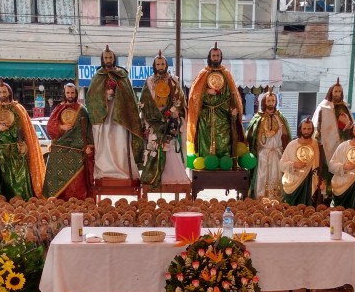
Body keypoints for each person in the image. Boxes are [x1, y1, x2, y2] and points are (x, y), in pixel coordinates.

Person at [85, 45, 144, 182]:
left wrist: (118, 94)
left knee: (120, 143)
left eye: (110, 57)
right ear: (102, 59)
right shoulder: (97, 76)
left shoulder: (122, 75)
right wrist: (104, 96)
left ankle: (123, 170)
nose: (108, 59)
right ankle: (105, 171)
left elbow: (130, 97)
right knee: (105, 144)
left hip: (120, 117)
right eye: (106, 57)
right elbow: (91, 97)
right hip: (104, 118)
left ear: (114, 58)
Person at [0, 81, 45, 203]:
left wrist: (23, 144)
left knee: (21, 177)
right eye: (0, 92)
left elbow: (24, 128)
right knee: (5, 179)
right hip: (2, 152)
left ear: (9, 92)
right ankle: (4, 201)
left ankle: (24, 200)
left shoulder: (18, 108)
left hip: (17, 150)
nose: (2, 94)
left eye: (4, 91)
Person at [186, 43, 245, 161]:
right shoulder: (203, 73)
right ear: (209, 57)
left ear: (221, 57)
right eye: (213, 55)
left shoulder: (226, 73)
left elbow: (232, 93)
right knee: (206, 142)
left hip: (223, 115)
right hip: (205, 115)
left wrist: (233, 109)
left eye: (218, 55)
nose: (216, 58)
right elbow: (194, 94)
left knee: (224, 141)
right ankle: (206, 162)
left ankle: (224, 162)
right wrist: (206, 91)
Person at [140, 51, 190, 188]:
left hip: (170, 120)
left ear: (166, 65)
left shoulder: (173, 80)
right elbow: (145, 101)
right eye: (158, 64)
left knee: (172, 149)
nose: (160, 66)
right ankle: (154, 176)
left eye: (162, 63)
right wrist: (153, 117)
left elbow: (180, 100)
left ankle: (174, 177)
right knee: (154, 148)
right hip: (154, 120)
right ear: (154, 65)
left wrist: (173, 112)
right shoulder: (149, 81)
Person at [42, 83, 95, 200]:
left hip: (77, 152)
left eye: (72, 93)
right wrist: (61, 127)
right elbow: (50, 127)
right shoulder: (58, 109)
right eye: (68, 93)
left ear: (76, 94)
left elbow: (89, 130)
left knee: (77, 182)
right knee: (55, 178)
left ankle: (77, 203)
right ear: (64, 94)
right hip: (60, 150)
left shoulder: (82, 110)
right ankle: (57, 203)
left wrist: (90, 146)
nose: (70, 95)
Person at [245, 87, 291, 199]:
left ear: (276, 102)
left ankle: (276, 200)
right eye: (269, 101)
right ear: (264, 102)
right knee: (262, 177)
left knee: (277, 176)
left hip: (277, 153)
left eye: (273, 101)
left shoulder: (281, 118)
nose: (271, 103)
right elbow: (250, 136)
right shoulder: (258, 118)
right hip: (263, 154)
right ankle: (260, 200)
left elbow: (286, 137)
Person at [311, 78, 354, 171]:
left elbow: (351, 124)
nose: (337, 94)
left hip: (343, 138)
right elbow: (316, 125)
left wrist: (348, 123)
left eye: (340, 91)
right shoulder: (323, 107)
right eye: (335, 91)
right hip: (327, 139)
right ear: (331, 92)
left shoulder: (344, 106)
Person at [280, 118, 322, 206]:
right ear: (300, 129)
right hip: (294, 182)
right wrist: (294, 164)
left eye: (309, 129)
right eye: (304, 129)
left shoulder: (315, 144)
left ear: (312, 130)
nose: (306, 131)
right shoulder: (292, 145)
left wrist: (322, 181)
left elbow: (321, 164)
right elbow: (281, 165)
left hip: (310, 183)